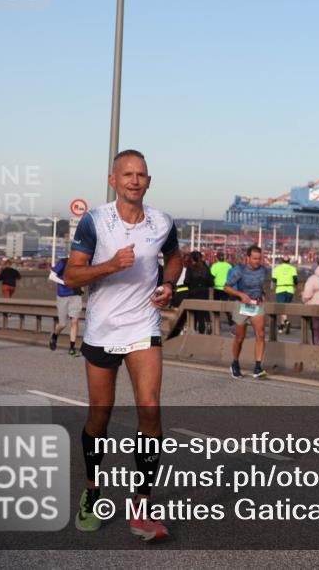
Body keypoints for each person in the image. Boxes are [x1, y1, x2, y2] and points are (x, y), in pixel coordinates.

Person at [62, 149, 181, 541]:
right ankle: (93, 492)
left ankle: (141, 508)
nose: (134, 180)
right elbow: (73, 276)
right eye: (127, 174)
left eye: (141, 174)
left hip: (143, 326)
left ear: (149, 181)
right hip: (101, 329)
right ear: (113, 179)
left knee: (151, 411)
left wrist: (169, 284)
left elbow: (174, 257)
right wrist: (110, 265)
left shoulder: (162, 222)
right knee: (100, 417)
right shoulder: (95, 220)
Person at [223, 245, 271, 379]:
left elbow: (260, 285)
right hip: (242, 305)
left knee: (260, 334)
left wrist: (262, 293)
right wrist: (240, 294)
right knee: (240, 338)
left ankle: (257, 367)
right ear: (248, 257)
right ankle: (235, 363)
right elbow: (226, 287)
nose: (257, 261)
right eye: (255, 258)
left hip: (256, 305)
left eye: (259, 258)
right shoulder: (239, 270)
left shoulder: (263, 270)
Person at [49, 256, 83, 357]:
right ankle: (55, 335)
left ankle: (72, 348)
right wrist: (64, 282)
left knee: (75, 321)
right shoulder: (63, 262)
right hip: (63, 295)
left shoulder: (82, 264)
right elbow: (51, 276)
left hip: (76, 294)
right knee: (62, 324)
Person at [184, 251, 214, 334]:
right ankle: (205, 325)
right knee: (203, 310)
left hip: (193, 293)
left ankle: (194, 329)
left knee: (195, 312)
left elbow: (186, 281)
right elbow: (211, 282)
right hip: (204, 293)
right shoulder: (206, 268)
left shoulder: (190, 268)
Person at [272, 256, 299, 334]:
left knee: (281, 308)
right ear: (289, 261)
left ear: (282, 261)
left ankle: (286, 322)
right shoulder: (292, 269)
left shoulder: (277, 269)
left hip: (280, 289)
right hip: (290, 289)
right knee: (285, 308)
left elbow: (273, 280)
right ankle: (281, 326)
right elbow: (295, 279)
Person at [210, 252, 235, 325]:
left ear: (217, 258)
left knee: (216, 305)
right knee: (225, 304)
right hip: (226, 287)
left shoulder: (214, 266)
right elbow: (233, 276)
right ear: (224, 258)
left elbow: (212, 276)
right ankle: (229, 315)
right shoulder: (229, 266)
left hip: (217, 287)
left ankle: (216, 321)